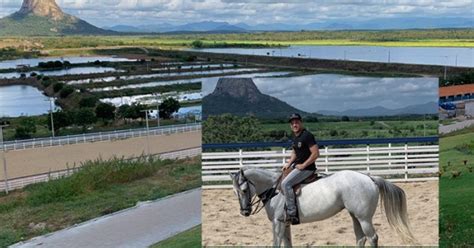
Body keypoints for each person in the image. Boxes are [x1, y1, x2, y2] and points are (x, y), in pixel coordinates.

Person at [280, 113, 319, 225]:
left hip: (307, 169)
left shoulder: (307, 136)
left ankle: (292, 213)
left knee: (285, 184)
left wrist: (304, 165)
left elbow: (315, 153)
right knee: (280, 177)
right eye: (292, 123)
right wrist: (288, 163)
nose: (295, 124)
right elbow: (295, 152)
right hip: (297, 166)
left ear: (301, 123)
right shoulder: (295, 136)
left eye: (296, 122)